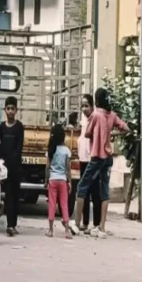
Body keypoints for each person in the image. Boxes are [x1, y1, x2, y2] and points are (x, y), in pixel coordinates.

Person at [70, 88, 128, 238]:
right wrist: (111, 133)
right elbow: (125, 128)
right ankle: (101, 228)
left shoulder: (95, 115)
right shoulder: (112, 115)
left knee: (82, 187)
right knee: (104, 192)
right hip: (108, 158)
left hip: (96, 156)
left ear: (96, 100)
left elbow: (87, 133)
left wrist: (98, 133)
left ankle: (77, 223)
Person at [72, 94, 102, 232]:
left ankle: (96, 224)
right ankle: (84, 222)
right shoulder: (84, 120)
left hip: (93, 160)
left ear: (92, 106)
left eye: (86, 106)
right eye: (82, 106)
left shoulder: (96, 118)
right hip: (83, 159)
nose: (84, 109)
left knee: (95, 192)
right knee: (84, 191)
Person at [0, 96, 25, 236]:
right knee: (8, 196)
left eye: (12, 109)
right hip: (5, 168)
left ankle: (13, 224)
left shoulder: (19, 127)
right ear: (5, 110)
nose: (10, 111)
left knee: (15, 196)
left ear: (16, 110)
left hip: (15, 167)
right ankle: (9, 225)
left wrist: (11, 160)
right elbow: (1, 145)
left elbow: (19, 147)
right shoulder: (2, 127)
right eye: (8, 108)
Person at [46, 124, 72, 239]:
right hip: (63, 180)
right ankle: (67, 231)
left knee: (52, 204)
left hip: (52, 180)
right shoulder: (66, 151)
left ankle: (50, 230)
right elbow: (68, 169)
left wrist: (46, 180)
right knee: (64, 205)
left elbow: (47, 167)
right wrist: (69, 182)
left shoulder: (51, 150)